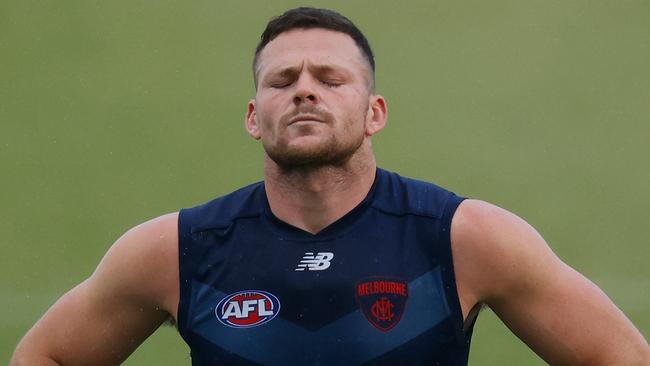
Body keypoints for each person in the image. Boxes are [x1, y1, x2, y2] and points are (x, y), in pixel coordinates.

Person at [11, 7, 650, 366]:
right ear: (254, 117)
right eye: (283, 79)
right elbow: (49, 357)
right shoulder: (175, 250)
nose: (305, 89)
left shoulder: (465, 239)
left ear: (375, 112)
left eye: (330, 78)